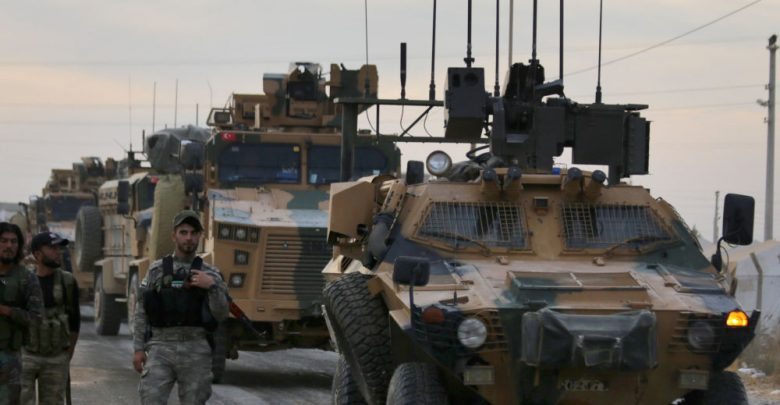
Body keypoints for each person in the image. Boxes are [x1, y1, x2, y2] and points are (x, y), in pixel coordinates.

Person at [132, 210, 228, 405]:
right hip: (161, 346)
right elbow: (141, 311)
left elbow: (221, 314)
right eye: (183, 232)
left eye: (193, 233)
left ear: (200, 236)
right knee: (150, 399)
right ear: (174, 236)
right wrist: (138, 349)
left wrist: (212, 286)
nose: (188, 238)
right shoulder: (156, 270)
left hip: (196, 347)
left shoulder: (211, 273)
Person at [21, 232, 80, 405]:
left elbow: (74, 321)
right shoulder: (24, 281)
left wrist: (67, 354)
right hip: (26, 355)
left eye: (58, 248)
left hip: (56, 357)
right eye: (52, 248)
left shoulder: (67, 281)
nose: (57, 252)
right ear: (37, 254)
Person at [0, 222, 43, 404]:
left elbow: (36, 318)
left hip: (9, 360)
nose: (9, 246)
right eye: (3, 241)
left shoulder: (27, 278)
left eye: (13, 241)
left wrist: (7, 311)